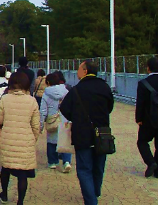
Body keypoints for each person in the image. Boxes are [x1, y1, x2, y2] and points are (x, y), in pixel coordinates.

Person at [60, 60, 114, 205]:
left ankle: (91, 200)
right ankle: (95, 192)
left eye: (79, 69)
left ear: (85, 71)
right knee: (99, 166)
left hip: (82, 134)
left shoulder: (77, 89)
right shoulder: (104, 87)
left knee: (84, 169)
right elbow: (110, 107)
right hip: (102, 133)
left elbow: (64, 108)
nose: (77, 72)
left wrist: (77, 118)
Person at [0, 72, 40, 205]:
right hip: (25, 140)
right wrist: (33, 139)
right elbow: (36, 126)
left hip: (8, 138)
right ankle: (20, 201)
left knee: (6, 167)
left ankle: (4, 194)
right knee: (22, 173)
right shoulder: (32, 101)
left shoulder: (5, 99)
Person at [40, 73, 72, 173]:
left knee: (51, 141)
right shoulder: (67, 92)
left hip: (52, 120)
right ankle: (66, 161)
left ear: (48, 82)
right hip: (65, 119)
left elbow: (43, 111)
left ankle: (52, 162)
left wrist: (40, 125)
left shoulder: (46, 94)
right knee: (65, 140)